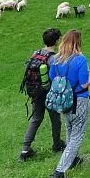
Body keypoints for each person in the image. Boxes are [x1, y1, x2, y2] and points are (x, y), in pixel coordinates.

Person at [48, 29, 90, 178]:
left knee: (70, 130)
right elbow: (84, 83)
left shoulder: (55, 60)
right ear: (78, 42)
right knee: (76, 137)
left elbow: (52, 78)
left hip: (63, 101)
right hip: (79, 100)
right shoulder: (80, 59)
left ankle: (72, 160)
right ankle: (59, 173)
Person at [18, 28, 65, 162]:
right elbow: (58, 76)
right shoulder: (54, 58)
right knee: (55, 118)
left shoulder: (36, 53)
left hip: (35, 92)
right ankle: (57, 144)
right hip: (48, 92)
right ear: (56, 41)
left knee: (36, 119)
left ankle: (25, 149)